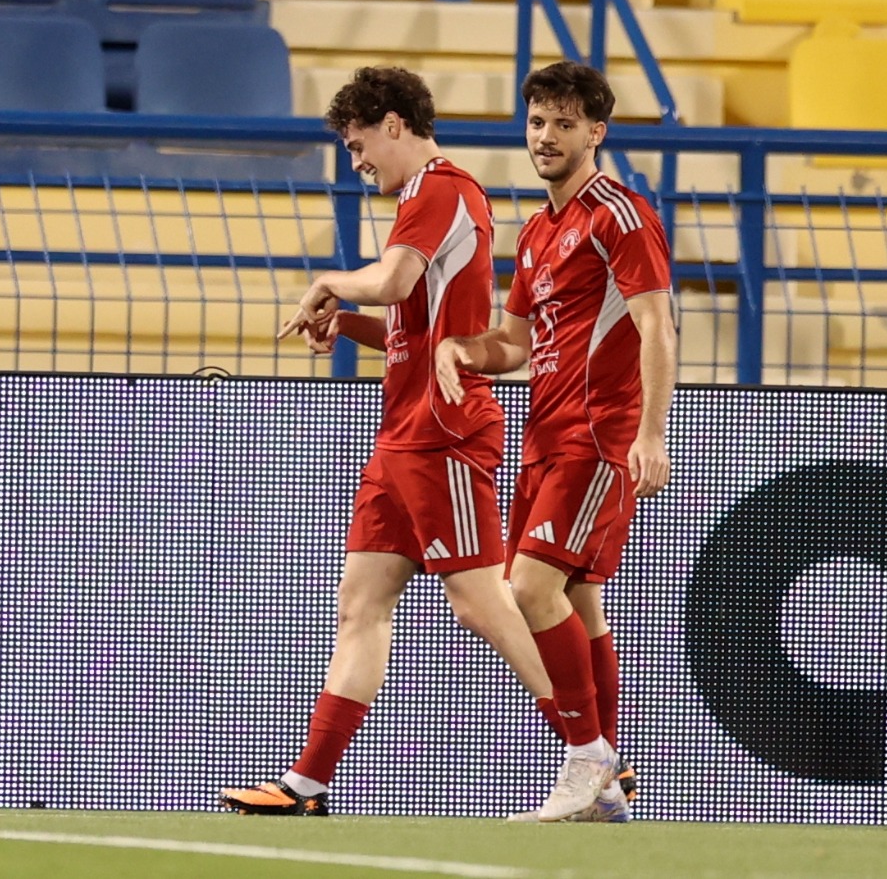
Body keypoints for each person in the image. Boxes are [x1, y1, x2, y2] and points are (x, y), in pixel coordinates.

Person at [218, 66, 561, 816]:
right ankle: (306, 784)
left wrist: (330, 284)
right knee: (361, 604)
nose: (356, 161)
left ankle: (593, 751)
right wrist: (348, 323)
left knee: (480, 602)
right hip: (402, 435)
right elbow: (413, 326)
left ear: (395, 125)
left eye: (358, 143)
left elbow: (396, 281)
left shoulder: (441, 188)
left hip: (444, 430)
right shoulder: (423, 199)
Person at [435, 60, 677, 823]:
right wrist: (462, 348)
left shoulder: (620, 216)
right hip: (544, 436)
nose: (545, 136)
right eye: (537, 121)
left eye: (564, 123)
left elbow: (657, 324)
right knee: (577, 597)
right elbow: (513, 343)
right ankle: (607, 784)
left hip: (597, 436)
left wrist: (651, 432)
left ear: (596, 132)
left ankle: (588, 757)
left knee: (530, 589)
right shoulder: (538, 230)